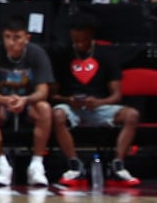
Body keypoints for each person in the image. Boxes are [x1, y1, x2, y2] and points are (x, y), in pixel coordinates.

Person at [50, 13, 138, 187]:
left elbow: (116, 95)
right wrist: (69, 100)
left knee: (132, 115)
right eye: (75, 41)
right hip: (72, 107)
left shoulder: (107, 56)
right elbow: (52, 95)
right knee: (57, 114)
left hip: (99, 106)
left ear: (91, 35)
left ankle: (118, 165)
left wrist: (99, 102)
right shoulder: (62, 55)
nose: (78, 45)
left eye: (82, 40)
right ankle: (75, 165)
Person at [0, 14, 55, 189]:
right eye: (7, 37)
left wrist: (25, 100)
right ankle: (1, 164)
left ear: (26, 38)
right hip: (4, 104)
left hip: (28, 103)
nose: (11, 42)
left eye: (17, 38)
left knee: (44, 108)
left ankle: (37, 165)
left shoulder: (37, 54)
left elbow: (43, 91)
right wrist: (5, 100)